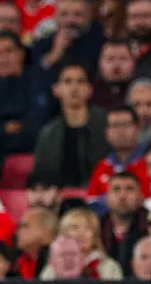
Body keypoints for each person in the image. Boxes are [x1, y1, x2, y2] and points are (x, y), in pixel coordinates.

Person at [35, 63, 110, 191]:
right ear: (56, 90)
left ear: (90, 89)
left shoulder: (107, 125)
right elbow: (41, 175)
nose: (74, 87)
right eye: (67, 81)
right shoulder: (48, 134)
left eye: (80, 81)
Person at [88, 106, 151, 198]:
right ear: (107, 133)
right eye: (115, 125)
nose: (120, 131)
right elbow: (91, 201)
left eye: (126, 124)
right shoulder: (102, 167)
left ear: (137, 128)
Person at [101, 171, 148, 276]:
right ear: (106, 198)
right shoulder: (96, 227)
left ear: (141, 197)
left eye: (129, 189)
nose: (122, 196)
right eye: (116, 189)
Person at [59, 207, 124, 279]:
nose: (81, 233)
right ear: (64, 234)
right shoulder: (54, 266)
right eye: (75, 228)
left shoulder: (110, 267)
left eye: (88, 228)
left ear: (95, 235)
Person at [91, 40, 136, 110]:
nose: (116, 65)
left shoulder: (143, 90)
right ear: (100, 63)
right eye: (110, 59)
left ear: (133, 62)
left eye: (123, 59)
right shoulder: (90, 92)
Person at [15, 207, 56, 280]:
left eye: (25, 226)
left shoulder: (58, 260)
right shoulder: (17, 262)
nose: (17, 232)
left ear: (45, 230)